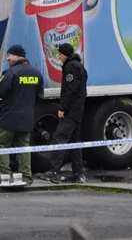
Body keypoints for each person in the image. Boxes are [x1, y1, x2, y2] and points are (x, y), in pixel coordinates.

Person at [0, 44, 44, 187]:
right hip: (27, 118)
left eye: (9, 55)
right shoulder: (36, 73)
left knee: (1, 145)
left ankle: (4, 177)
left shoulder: (11, 73)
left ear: (16, 56)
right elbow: (40, 96)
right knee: (23, 148)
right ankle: (26, 178)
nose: (8, 58)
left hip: (8, 118)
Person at [37, 43, 87, 184]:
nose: (58, 57)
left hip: (71, 111)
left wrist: (63, 108)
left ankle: (54, 171)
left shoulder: (71, 67)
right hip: (78, 110)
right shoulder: (80, 66)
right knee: (75, 141)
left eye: (60, 54)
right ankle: (78, 173)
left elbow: (70, 90)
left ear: (66, 54)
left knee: (59, 137)